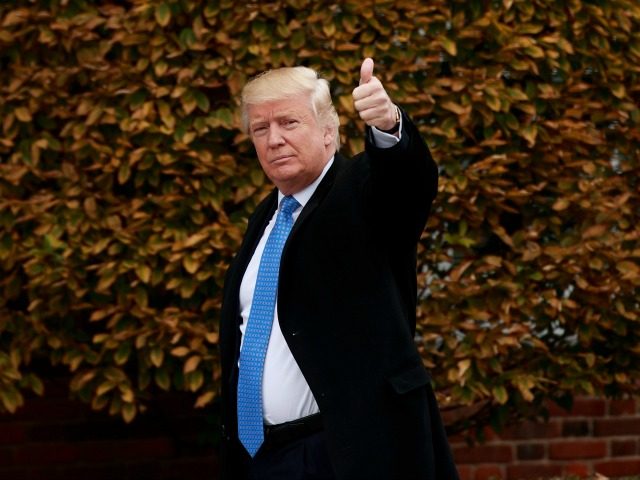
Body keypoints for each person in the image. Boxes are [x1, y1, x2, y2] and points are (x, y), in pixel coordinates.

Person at [218, 58, 459, 480]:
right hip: (264, 456)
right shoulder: (266, 219)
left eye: (289, 123)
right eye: (261, 128)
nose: (274, 140)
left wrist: (388, 125)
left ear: (329, 130)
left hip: (348, 452)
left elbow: (406, 183)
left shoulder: (360, 193)